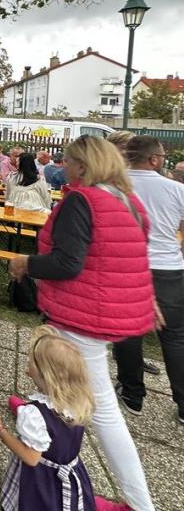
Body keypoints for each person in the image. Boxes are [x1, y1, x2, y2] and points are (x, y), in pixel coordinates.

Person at [8, 136, 156, 511]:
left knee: (101, 407)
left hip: (82, 311)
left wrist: (26, 263)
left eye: (70, 160)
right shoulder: (127, 200)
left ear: (84, 166)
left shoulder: (82, 200)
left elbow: (67, 263)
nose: (65, 165)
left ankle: (139, 502)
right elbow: (129, 256)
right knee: (56, 371)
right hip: (106, 309)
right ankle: (37, 412)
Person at [0, 326, 97, 511]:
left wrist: (0, 429)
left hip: (41, 481)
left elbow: (31, 458)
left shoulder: (35, 414)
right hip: (71, 475)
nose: (27, 366)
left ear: (44, 374)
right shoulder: (78, 403)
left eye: (31, 362)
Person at [114, 136, 184, 424]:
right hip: (169, 268)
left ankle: (133, 394)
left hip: (127, 266)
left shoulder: (115, 186)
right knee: (175, 336)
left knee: (127, 332)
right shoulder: (177, 189)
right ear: (154, 159)